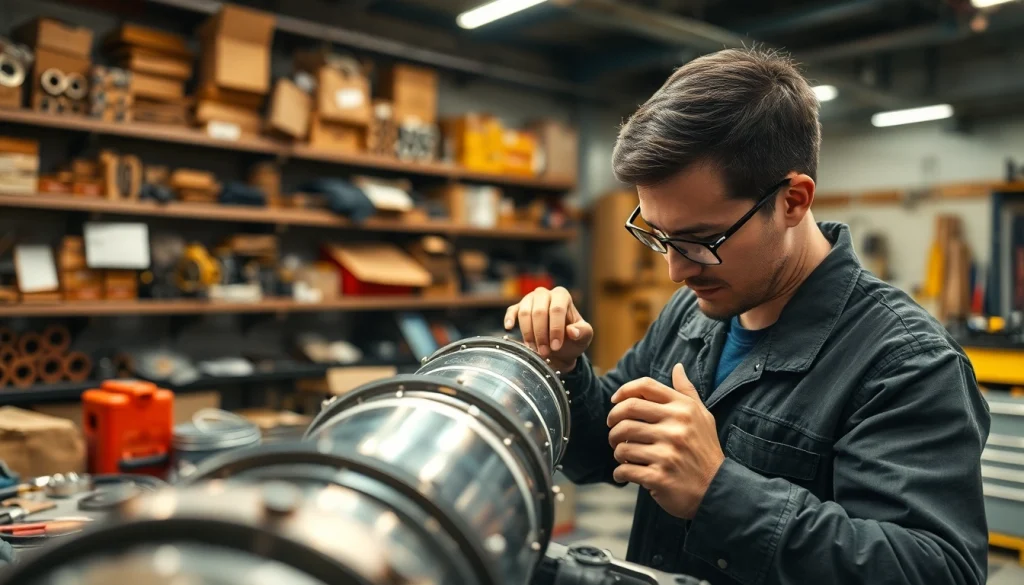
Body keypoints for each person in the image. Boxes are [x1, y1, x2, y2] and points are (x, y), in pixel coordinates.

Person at [505, 47, 990, 585]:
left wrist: (719, 492)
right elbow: (606, 448)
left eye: (701, 240)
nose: (675, 271)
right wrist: (567, 372)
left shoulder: (904, 364)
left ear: (793, 200)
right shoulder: (694, 312)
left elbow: (935, 570)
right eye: (660, 237)